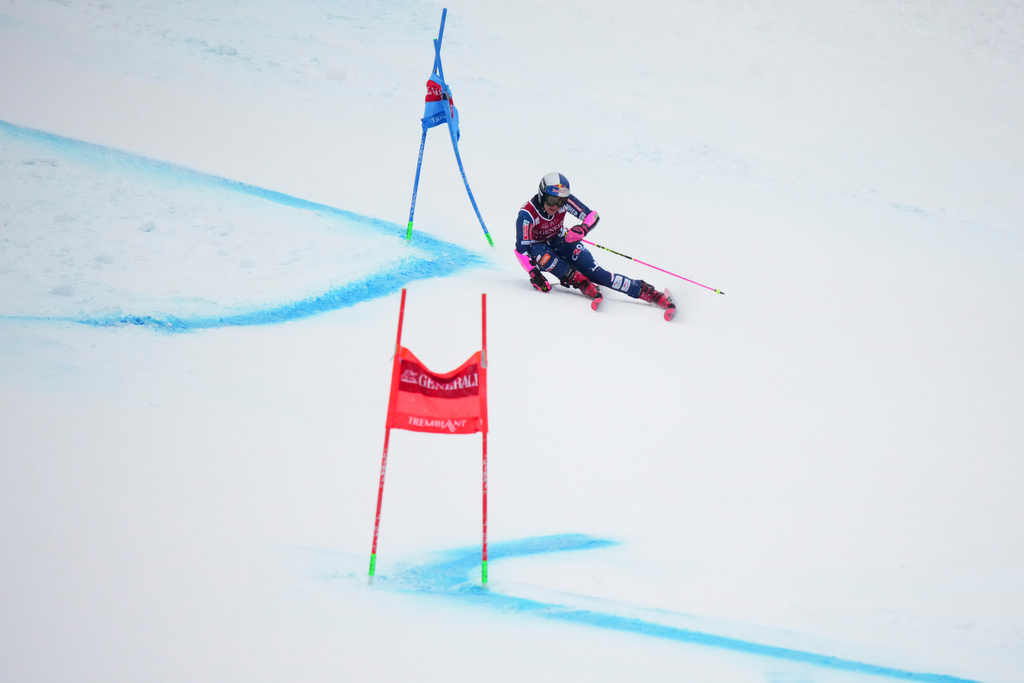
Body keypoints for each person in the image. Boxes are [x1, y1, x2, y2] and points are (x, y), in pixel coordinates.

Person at [514, 172, 675, 316]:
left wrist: (582, 229)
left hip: (562, 240)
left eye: (561, 201)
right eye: (551, 200)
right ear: (542, 195)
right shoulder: (527, 214)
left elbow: (592, 215)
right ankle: (581, 282)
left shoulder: (564, 203)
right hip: (538, 252)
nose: (555, 206)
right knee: (540, 251)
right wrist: (533, 273)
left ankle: (650, 293)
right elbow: (521, 250)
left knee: (600, 275)